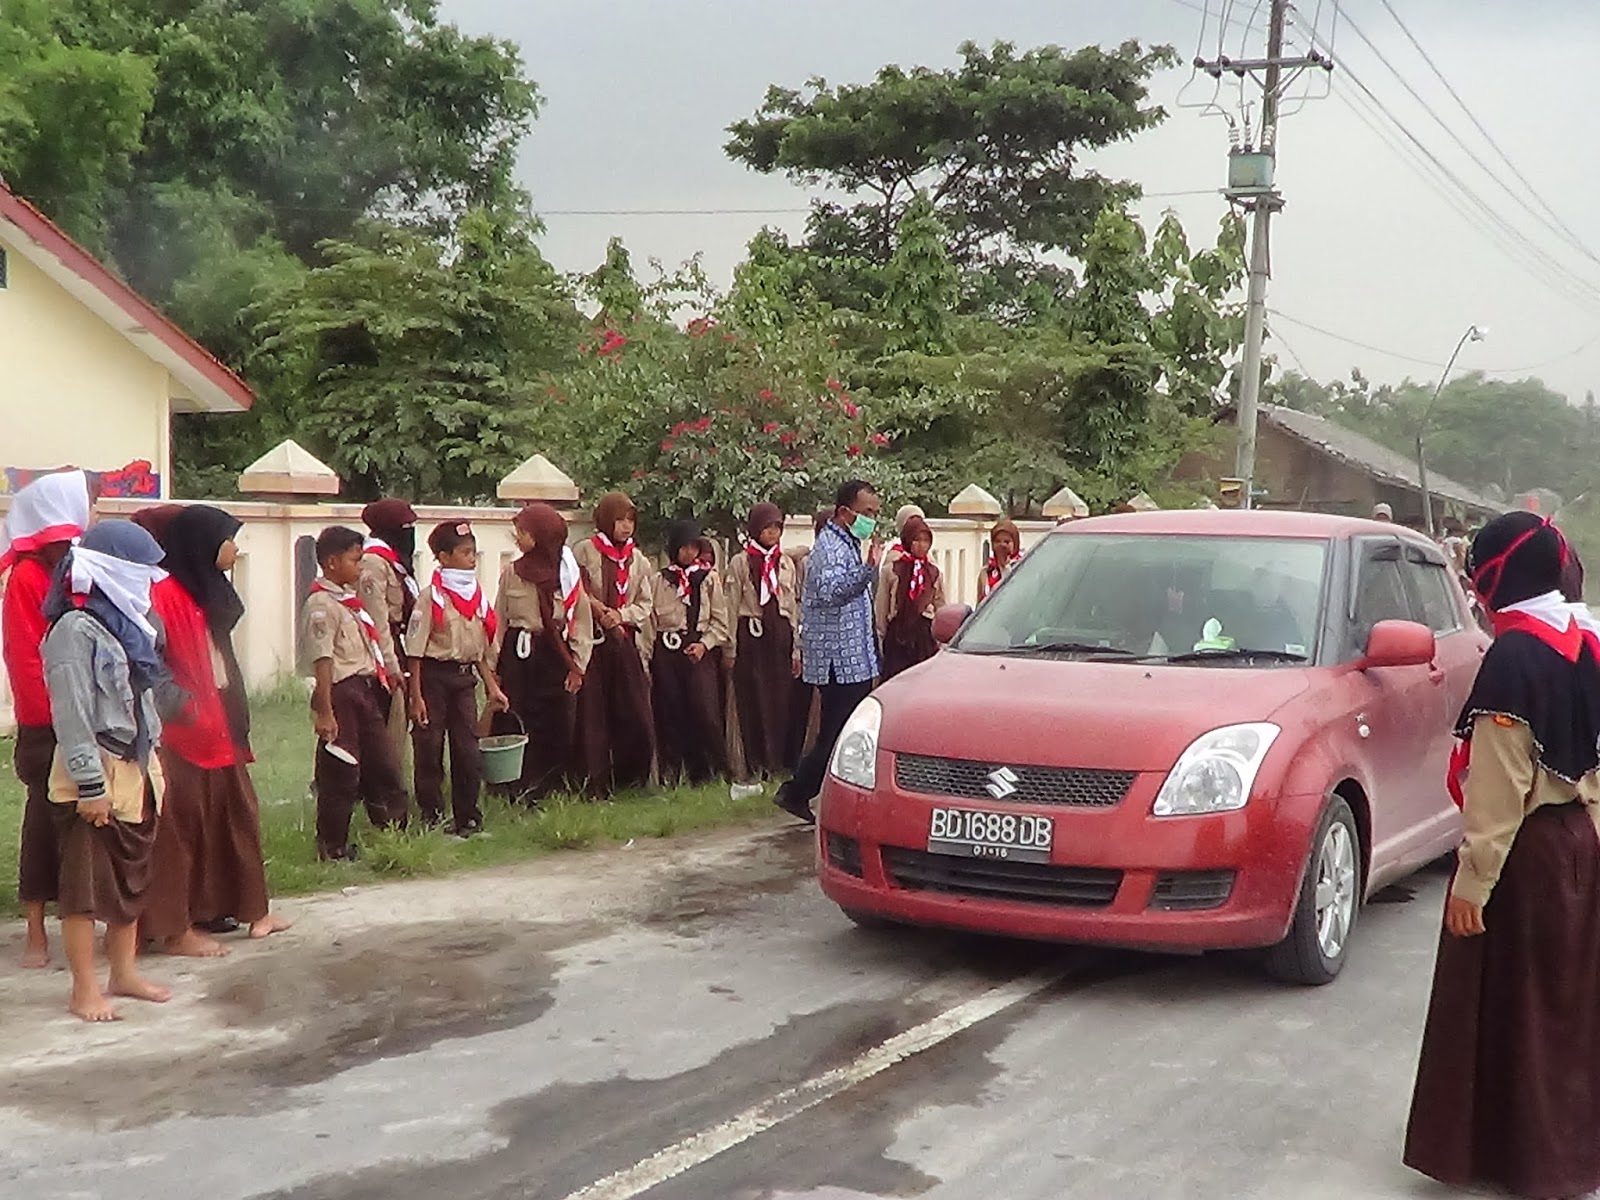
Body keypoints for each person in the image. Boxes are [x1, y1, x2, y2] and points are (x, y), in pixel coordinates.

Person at [1404, 512, 1600, 1199]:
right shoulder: (1588, 639)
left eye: (1478, 571)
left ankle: (1516, 1157)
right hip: (1579, 842)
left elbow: (1498, 785)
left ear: (1497, 574)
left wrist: (1473, 882)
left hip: (1525, 853)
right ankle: (1568, 1154)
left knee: (1507, 1006)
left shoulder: (1515, 657)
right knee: (1563, 1005)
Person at [41, 520, 175, 1022]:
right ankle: (83, 990)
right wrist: (90, 784)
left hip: (134, 760)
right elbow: (71, 714)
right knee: (85, 886)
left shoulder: (126, 624)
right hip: (92, 768)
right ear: (112, 572)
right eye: (139, 572)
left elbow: (143, 698)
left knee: (132, 875)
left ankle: (124, 973)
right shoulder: (74, 631)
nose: (146, 584)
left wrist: (154, 759)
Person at [141, 505, 289, 954]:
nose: (236, 548)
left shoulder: (206, 588)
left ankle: (250, 910)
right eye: (229, 538)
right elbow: (147, 661)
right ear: (203, 543)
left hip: (219, 722)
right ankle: (175, 927)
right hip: (182, 731)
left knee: (235, 815)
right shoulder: (162, 595)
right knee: (180, 829)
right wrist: (180, 707)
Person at [2, 470, 91, 968]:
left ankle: (79, 919)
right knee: (43, 820)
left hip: (79, 713)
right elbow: (27, 659)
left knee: (84, 825)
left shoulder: (73, 569)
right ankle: (35, 927)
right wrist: (60, 717)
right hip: (48, 721)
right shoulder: (27, 579)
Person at [773, 480, 882, 824]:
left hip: (854, 657)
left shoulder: (847, 544)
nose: (871, 520)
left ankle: (818, 794)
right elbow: (832, 591)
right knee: (836, 733)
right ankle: (797, 791)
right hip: (838, 660)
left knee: (845, 732)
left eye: (875, 514)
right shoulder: (829, 548)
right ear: (844, 512)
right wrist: (869, 569)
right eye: (866, 513)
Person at [300, 526, 410, 860]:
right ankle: (332, 846)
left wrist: (389, 672)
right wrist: (325, 709)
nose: (360, 567)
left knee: (383, 764)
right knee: (341, 772)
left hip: (364, 690)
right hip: (341, 692)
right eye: (355, 560)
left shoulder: (349, 602)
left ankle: (393, 835)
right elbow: (323, 660)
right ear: (332, 562)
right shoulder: (321, 604)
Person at [406, 521, 507, 836]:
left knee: (467, 750)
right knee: (429, 749)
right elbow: (415, 650)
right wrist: (416, 696)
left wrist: (491, 686)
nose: (472, 559)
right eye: (465, 553)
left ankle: (468, 817)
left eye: (473, 552)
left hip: (464, 681)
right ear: (443, 557)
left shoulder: (475, 596)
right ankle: (432, 816)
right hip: (434, 678)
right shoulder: (430, 598)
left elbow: (477, 649)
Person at [492, 504, 593, 801]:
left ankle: (552, 785)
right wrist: (492, 665)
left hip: (554, 653)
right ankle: (516, 786)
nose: (518, 538)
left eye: (523, 533)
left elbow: (581, 624)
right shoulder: (512, 572)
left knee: (556, 719)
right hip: (519, 651)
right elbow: (498, 620)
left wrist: (578, 666)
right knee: (516, 715)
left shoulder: (568, 575)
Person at [573, 492, 656, 794]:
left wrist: (620, 615)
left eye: (630, 520)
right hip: (592, 643)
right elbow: (575, 589)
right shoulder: (585, 551)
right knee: (593, 715)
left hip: (623, 641)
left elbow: (645, 603)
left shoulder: (638, 559)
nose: (625, 527)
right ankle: (593, 783)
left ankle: (632, 781)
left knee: (634, 711)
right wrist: (598, 610)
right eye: (619, 520)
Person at [649, 520, 730, 785]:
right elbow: (649, 620)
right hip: (666, 653)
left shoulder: (707, 579)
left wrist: (705, 644)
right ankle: (671, 774)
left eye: (693, 547)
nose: (689, 553)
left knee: (704, 713)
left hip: (698, 652)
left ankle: (712, 773)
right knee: (670, 712)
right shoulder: (660, 580)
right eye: (683, 547)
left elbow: (720, 621)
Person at [728, 503, 798, 781]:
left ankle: (778, 763)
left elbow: (791, 606)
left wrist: (795, 649)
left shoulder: (785, 563)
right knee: (754, 701)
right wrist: (730, 647)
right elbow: (732, 605)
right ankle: (756, 763)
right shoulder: (741, 562)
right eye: (767, 527)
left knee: (780, 700)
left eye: (777, 527)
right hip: (752, 635)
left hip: (779, 636)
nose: (772, 533)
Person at [359, 498, 419, 753]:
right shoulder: (373, 562)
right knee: (379, 716)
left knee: (396, 719)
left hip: (398, 642)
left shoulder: (395, 562)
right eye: (405, 527)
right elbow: (376, 620)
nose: (410, 533)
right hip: (378, 650)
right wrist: (389, 662)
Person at [875, 514, 945, 680]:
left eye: (925, 540)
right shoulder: (891, 570)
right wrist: (881, 639)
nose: (921, 545)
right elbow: (881, 609)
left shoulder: (934, 573)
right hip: (898, 637)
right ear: (906, 540)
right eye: (916, 539)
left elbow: (941, 606)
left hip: (925, 637)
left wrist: (941, 640)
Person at [978, 517, 1022, 602]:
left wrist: (1005, 569)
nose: (1002, 545)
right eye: (997, 541)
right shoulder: (985, 574)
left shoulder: (1022, 567)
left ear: (1015, 543)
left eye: (1006, 542)